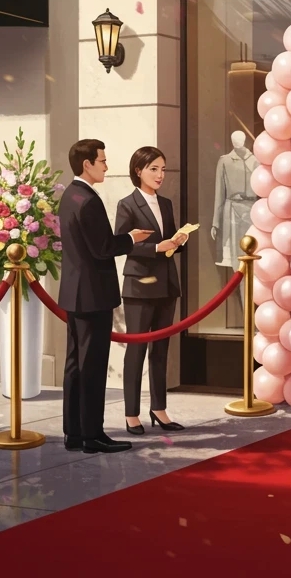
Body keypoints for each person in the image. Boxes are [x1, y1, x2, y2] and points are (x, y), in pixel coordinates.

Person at [59, 140, 153, 454]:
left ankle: (74, 433)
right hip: (93, 295)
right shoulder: (88, 200)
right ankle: (92, 436)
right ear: (87, 164)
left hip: (75, 293)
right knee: (92, 366)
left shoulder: (69, 195)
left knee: (75, 365)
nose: (106, 167)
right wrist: (131, 238)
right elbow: (102, 248)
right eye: (102, 161)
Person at [115, 146, 188, 435]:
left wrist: (178, 241)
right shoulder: (127, 204)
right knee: (136, 350)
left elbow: (169, 243)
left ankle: (159, 409)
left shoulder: (166, 203)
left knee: (161, 350)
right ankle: (131, 414)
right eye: (154, 169)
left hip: (167, 284)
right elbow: (123, 245)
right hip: (139, 286)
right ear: (138, 171)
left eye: (163, 169)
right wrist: (157, 247)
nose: (160, 175)